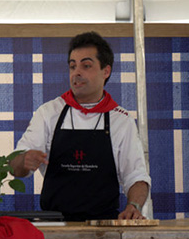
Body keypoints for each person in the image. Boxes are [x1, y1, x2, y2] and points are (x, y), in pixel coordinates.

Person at [10, 32, 150, 221]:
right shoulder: (49, 113)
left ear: (106, 71)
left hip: (103, 227)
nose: (77, 72)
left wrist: (133, 206)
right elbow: (14, 167)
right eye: (72, 66)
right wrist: (24, 160)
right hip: (55, 225)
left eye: (86, 66)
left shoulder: (121, 120)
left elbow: (136, 176)